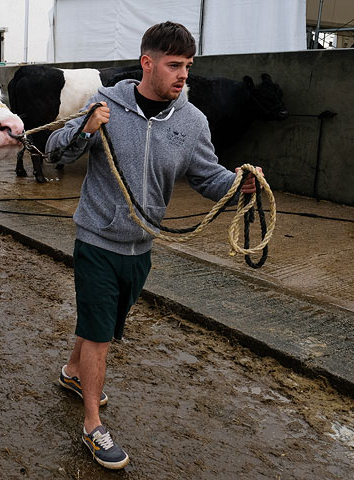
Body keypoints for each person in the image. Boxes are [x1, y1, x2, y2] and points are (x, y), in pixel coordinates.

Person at [46, 21, 261, 470]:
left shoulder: (192, 120)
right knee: (101, 334)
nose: (184, 75)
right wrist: (84, 130)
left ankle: (71, 372)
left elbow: (207, 176)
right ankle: (92, 425)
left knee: (99, 322)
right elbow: (55, 151)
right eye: (174, 65)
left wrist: (239, 184)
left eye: (188, 66)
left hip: (141, 247)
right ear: (148, 63)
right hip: (97, 240)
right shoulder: (105, 102)